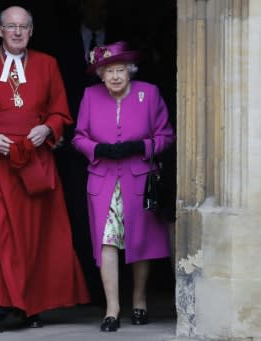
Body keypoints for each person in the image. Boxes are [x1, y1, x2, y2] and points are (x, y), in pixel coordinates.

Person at [0, 5, 90, 333]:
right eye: (11, 26)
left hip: (35, 163)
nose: (17, 32)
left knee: (33, 238)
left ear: (31, 31)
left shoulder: (47, 64)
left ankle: (29, 305)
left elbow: (61, 112)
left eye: (23, 27)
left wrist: (48, 129)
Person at [72, 41, 175, 332]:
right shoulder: (90, 96)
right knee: (107, 240)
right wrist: (98, 150)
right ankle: (112, 309)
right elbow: (78, 137)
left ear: (130, 72)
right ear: (101, 75)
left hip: (140, 178)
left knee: (140, 238)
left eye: (120, 70)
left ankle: (139, 301)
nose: (115, 76)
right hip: (103, 180)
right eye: (109, 71)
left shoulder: (149, 93)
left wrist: (141, 146)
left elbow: (166, 136)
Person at [53, 0, 110, 304]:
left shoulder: (118, 40)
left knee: (112, 215)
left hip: (113, 143)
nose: (98, 11)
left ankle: (111, 288)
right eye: (92, 5)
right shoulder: (60, 41)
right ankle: (84, 284)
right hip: (72, 140)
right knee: (77, 210)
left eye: (103, 6)